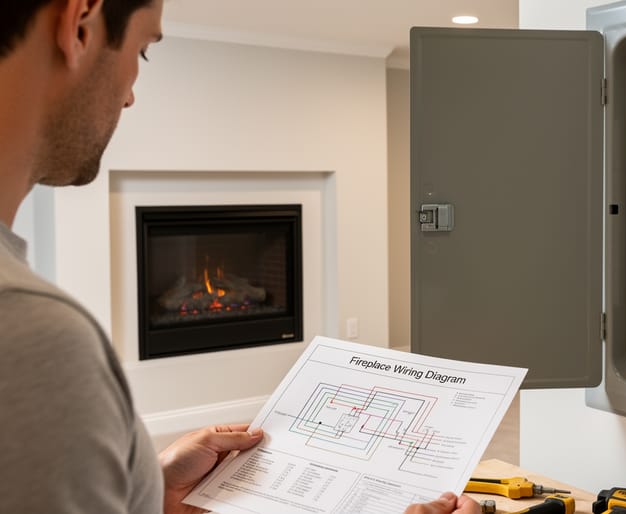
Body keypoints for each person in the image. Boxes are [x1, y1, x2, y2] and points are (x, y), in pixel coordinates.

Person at [0, 1, 479, 513]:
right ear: (79, 23)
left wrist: (154, 489)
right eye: (142, 50)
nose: (131, 96)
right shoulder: (33, 335)